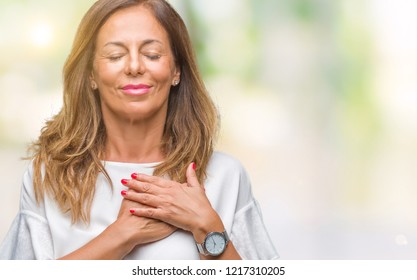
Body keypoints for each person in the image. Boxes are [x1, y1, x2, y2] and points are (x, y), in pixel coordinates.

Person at [0, 0, 278, 260]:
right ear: (91, 75)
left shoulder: (226, 176)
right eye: (115, 55)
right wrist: (121, 236)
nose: (134, 66)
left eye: (152, 54)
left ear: (176, 70)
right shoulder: (48, 177)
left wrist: (208, 227)